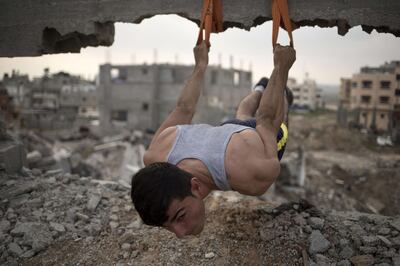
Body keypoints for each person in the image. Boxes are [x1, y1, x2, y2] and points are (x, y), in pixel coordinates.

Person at [131, 41, 296, 238]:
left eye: (180, 217)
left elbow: (267, 121)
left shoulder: (253, 174)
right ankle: (260, 89)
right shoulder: (157, 153)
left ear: (195, 185)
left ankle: (278, 92)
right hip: (228, 135)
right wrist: (200, 64)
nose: (180, 234)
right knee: (242, 115)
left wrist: (281, 67)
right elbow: (183, 108)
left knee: (280, 120)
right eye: (167, 226)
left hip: (249, 145)